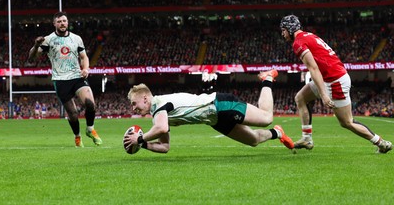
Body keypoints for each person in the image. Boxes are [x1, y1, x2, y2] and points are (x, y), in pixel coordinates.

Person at [280, 15, 392, 153]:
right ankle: (307, 138)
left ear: (290, 29)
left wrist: (324, 95)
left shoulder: (298, 42)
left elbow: (313, 68)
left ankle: (381, 143)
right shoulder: (308, 35)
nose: (282, 34)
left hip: (335, 81)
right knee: (301, 98)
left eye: (284, 30)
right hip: (330, 78)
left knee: (346, 122)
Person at [123, 70, 294, 154]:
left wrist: (139, 138)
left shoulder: (160, 105)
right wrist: (143, 144)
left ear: (145, 98)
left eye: (134, 103)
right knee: (253, 140)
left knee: (266, 117)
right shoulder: (158, 116)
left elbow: (160, 129)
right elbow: (165, 147)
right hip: (215, 120)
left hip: (219, 104)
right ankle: (277, 133)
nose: (133, 108)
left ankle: (267, 79)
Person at [28, 11, 102, 147]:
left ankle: (90, 129)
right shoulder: (48, 40)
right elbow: (31, 58)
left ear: (67, 22)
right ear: (54, 23)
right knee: (73, 114)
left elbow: (84, 57)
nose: (62, 23)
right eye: (59, 21)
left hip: (77, 76)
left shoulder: (76, 38)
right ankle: (77, 136)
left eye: (64, 21)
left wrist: (86, 69)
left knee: (90, 104)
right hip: (60, 80)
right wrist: (36, 45)